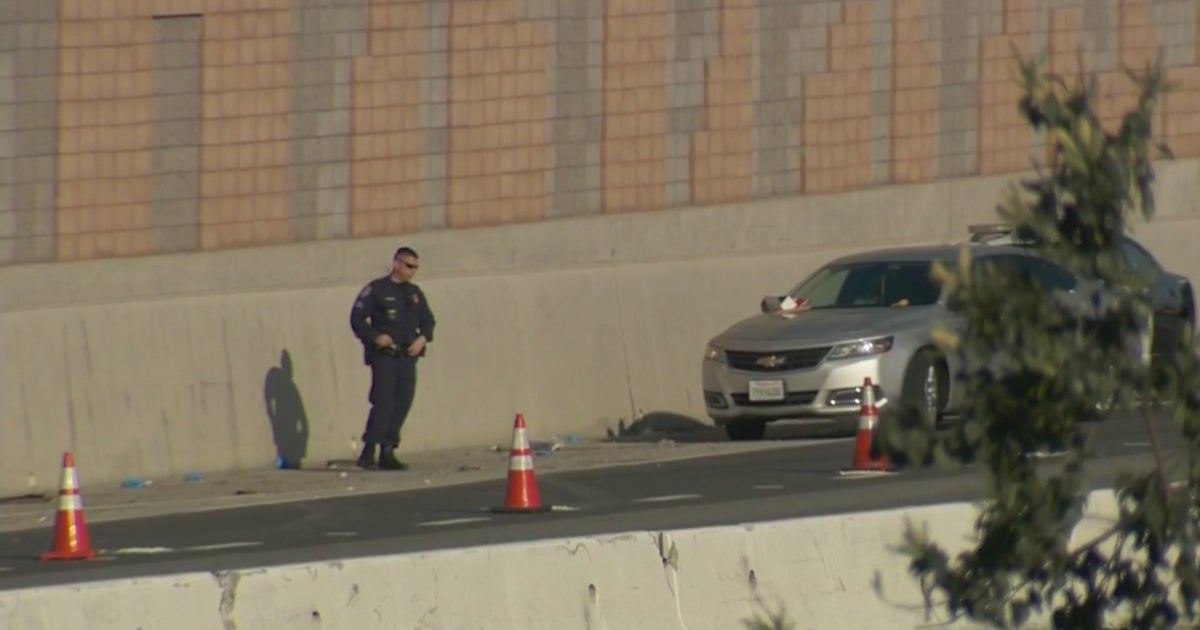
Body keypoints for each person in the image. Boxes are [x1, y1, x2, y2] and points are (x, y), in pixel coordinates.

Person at [349, 246, 436, 470]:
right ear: (396, 263)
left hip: (407, 357)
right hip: (385, 356)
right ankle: (370, 448)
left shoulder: (414, 294)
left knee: (402, 402)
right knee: (383, 402)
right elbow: (357, 319)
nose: (412, 271)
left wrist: (423, 339)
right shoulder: (376, 289)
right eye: (408, 266)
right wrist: (376, 337)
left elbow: (428, 321)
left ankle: (388, 449)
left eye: (415, 267)